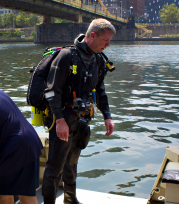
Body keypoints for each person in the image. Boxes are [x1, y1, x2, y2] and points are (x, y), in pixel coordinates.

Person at [41, 18, 115, 204]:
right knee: (55, 166)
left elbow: (100, 90)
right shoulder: (67, 56)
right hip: (62, 119)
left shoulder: (97, 60)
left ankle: (70, 199)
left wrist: (107, 116)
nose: (107, 45)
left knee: (72, 163)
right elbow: (51, 91)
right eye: (105, 40)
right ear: (92, 36)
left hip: (81, 120)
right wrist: (59, 121)